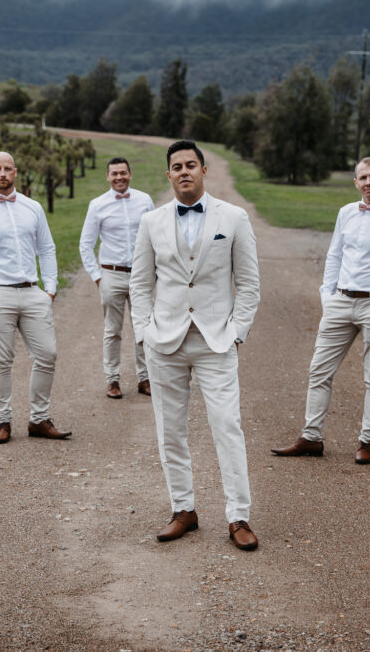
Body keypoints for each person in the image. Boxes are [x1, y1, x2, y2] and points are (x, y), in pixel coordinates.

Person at [130, 140, 261, 551]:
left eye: (191, 164)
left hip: (215, 341)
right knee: (170, 431)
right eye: (176, 166)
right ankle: (183, 509)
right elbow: (139, 283)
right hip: (164, 341)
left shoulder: (234, 218)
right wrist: (143, 332)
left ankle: (238, 516)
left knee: (227, 427)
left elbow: (250, 284)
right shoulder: (151, 221)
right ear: (168, 175)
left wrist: (236, 331)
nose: (184, 171)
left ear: (204, 170)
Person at [271, 157, 370, 464]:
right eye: (362, 177)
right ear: (355, 182)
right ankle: (311, 438)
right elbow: (334, 255)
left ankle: (367, 442)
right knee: (319, 370)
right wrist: (328, 296)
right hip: (340, 301)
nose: (368, 182)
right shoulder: (345, 213)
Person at [0, 151, 72, 445]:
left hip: (33, 292)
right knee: (1, 360)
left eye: (8, 168)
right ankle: (3, 421)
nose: (3, 173)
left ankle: (39, 419)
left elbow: (47, 248)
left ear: (16, 172)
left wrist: (50, 289)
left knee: (47, 355)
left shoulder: (33, 208)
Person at [79, 157, 155, 399]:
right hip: (111, 274)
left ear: (130, 174)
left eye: (123, 173)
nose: (119, 177)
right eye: (114, 174)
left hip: (141, 275)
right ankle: (112, 380)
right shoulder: (97, 205)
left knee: (143, 328)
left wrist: (155, 270)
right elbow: (86, 244)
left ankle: (145, 378)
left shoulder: (144, 201)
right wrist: (98, 277)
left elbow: (156, 237)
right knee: (113, 330)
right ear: (107, 177)